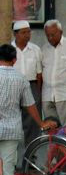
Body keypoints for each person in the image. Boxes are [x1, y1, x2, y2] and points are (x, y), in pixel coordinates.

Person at [0, 44, 55, 175]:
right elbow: (30, 105)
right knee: (8, 172)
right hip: (12, 130)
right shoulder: (21, 79)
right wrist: (40, 122)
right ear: (14, 60)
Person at [11, 20, 43, 152]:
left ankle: (31, 156)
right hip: (13, 86)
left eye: (28, 32)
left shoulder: (35, 49)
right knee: (13, 122)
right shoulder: (9, 50)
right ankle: (13, 157)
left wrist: (38, 94)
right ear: (15, 34)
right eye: (23, 32)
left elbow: (39, 75)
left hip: (31, 86)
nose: (27, 35)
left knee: (33, 122)